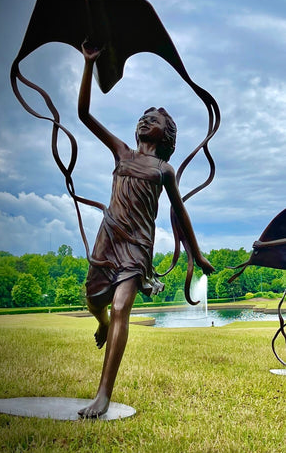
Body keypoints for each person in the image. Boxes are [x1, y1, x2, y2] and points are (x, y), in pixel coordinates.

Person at [77, 44, 214, 418]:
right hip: (110, 238)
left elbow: (180, 214)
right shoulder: (122, 153)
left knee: (122, 306)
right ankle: (101, 322)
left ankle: (103, 394)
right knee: (95, 302)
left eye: (151, 119)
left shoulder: (163, 170)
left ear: (165, 134)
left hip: (137, 248)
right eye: (141, 117)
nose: (143, 121)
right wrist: (89, 65)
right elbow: (83, 114)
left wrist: (196, 256)